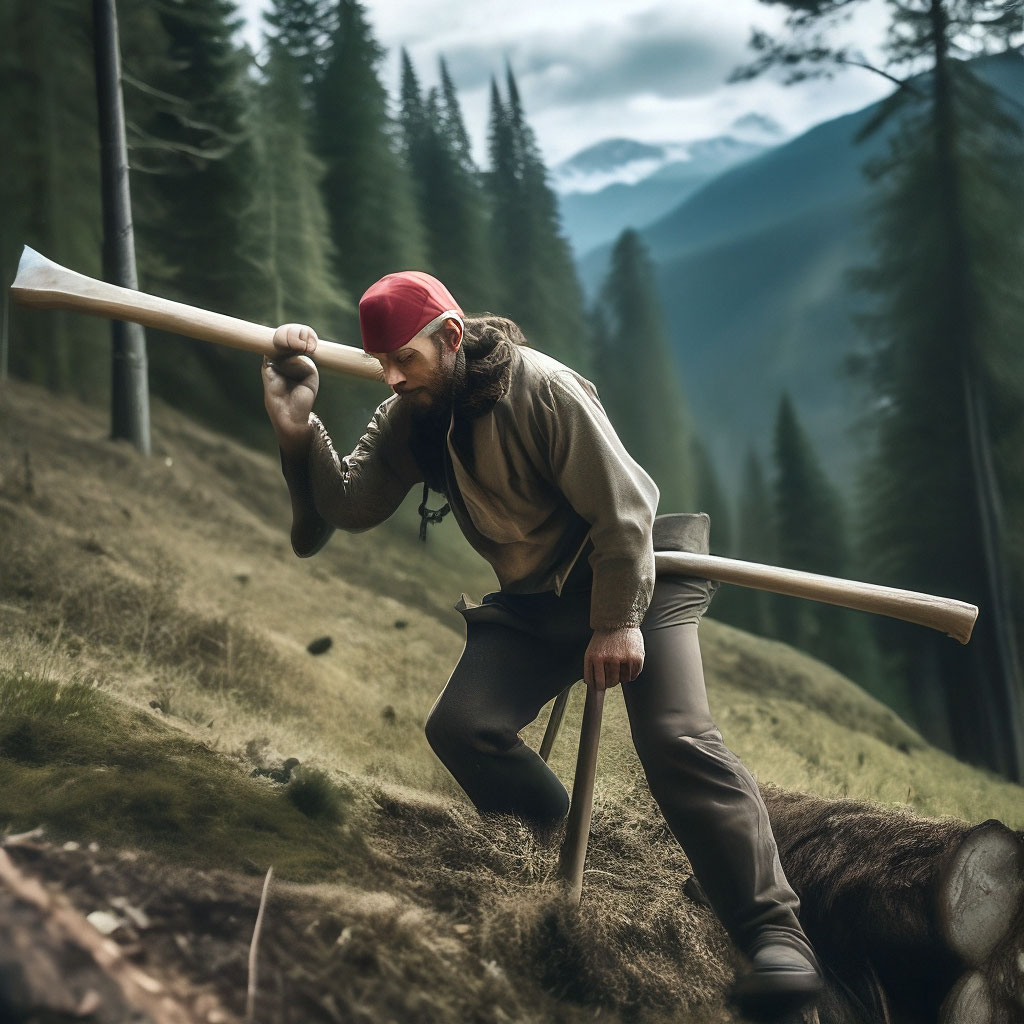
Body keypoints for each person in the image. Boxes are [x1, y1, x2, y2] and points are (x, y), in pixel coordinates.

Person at [261, 270, 823, 1020]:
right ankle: (557, 855)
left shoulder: (541, 388)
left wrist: (619, 619)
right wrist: (298, 428)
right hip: (540, 601)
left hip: (635, 573)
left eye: (406, 360)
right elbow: (348, 506)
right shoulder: (413, 413)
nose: (393, 379)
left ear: (450, 336)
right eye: (382, 364)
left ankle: (774, 938)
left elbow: (627, 508)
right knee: (463, 727)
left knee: (675, 738)